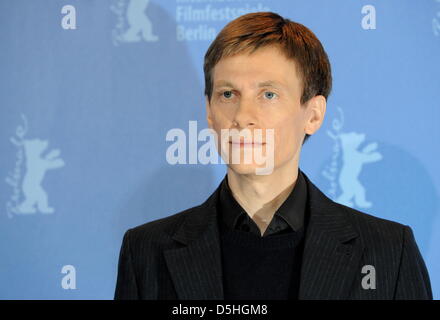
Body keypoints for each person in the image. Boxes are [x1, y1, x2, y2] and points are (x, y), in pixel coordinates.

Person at [114, 11, 432, 300]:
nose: (243, 115)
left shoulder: (388, 252)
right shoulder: (146, 252)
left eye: (268, 94)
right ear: (209, 113)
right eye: (228, 94)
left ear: (314, 114)